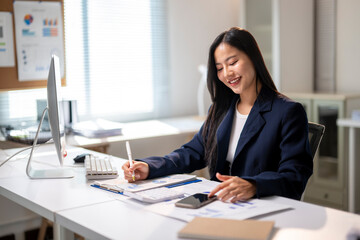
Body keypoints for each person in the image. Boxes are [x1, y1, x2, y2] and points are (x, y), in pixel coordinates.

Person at [122, 27, 313, 202]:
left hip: (262, 206)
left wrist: (254, 185)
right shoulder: (220, 110)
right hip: (222, 204)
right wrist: (149, 167)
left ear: (253, 58)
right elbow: (192, 152)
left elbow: (294, 176)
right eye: (220, 68)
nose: (227, 73)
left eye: (233, 62)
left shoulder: (287, 111)